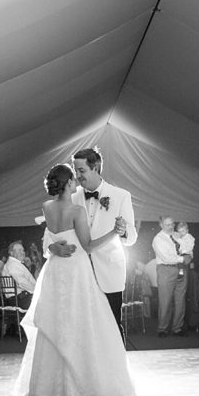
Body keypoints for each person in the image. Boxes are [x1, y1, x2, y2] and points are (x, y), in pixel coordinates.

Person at [14, 163, 135, 396]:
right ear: (69, 183)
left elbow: (49, 237)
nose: (77, 181)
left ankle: (48, 391)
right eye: (74, 178)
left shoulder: (46, 208)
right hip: (77, 271)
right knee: (82, 324)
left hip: (56, 271)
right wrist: (114, 231)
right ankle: (82, 386)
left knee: (57, 323)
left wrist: (52, 248)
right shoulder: (77, 209)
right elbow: (88, 246)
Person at [47, 147, 137, 343]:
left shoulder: (121, 195)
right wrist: (52, 248)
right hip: (78, 273)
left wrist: (123, 231)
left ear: (95, 168)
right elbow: (50, 233)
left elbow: (132, 238)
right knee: (81, 329)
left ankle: (116, 372)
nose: (76, 176)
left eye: (81, 171)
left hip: (109, 271)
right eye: (75, 170)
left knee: (112, 326)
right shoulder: (70, 195)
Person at [152, 216, 191, 337]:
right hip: (166, 269)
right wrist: (183, 258)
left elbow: (189, 245)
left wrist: (189, 255)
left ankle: (177, 328)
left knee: (180, 300)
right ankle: (163, 328)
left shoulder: (178, 234)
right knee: (165, 300)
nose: (171, 226)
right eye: (167, 224)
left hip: (181, 269)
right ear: (161, 225)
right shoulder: (158, 239)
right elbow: (166, 258)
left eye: (172, 224)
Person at [1, 241, 37, 310]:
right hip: (19, 300)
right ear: (11, 253)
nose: (22, 253)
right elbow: (22, 282)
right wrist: (37, 291)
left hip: (19, 299)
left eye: (23, 250)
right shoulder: (13, 264)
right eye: (19, 250)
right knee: (47, 300)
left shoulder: (15, 263)